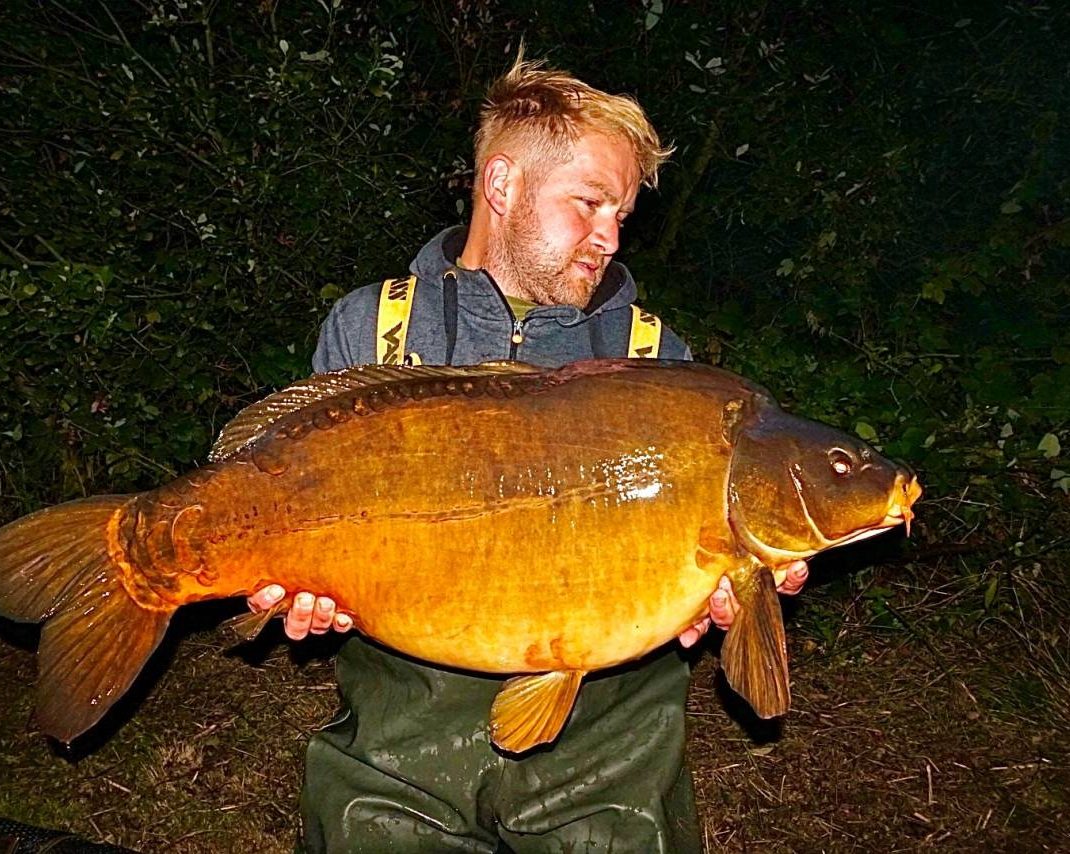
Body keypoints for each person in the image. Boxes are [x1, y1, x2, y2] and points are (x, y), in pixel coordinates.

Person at [247, 55, 809, 852]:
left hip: (606, 759)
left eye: (620, 213)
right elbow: (299, 511)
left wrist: (715, 601)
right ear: (502, 186)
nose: (610, 236)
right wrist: (302, 591)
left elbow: (702, 576)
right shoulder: (373, 329)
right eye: (589, 203)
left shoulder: (657, 362)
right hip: (397, 749)